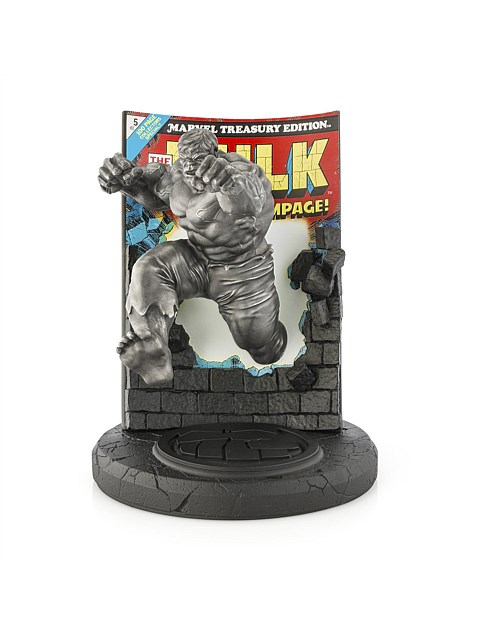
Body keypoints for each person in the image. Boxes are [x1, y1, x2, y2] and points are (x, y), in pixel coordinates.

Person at [99, 129, 287, 385]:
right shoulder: (177, 175)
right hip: (195, 259)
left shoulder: (243, 172)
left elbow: (250, 202)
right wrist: (123, 181)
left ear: (213, 154)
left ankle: (269, 341)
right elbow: (153, 195)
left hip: (244, 271)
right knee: (149, 268)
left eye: (197, 160)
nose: (189, 168)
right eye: (185, 160)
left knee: (263, 350)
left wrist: (228, 183)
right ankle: (153, 345)